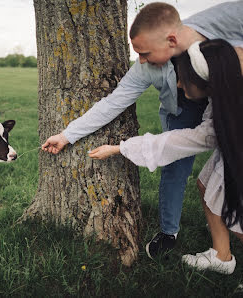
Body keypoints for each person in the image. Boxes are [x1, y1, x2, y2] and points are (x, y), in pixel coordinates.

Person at [41, 1, 243, 259]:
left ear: (170, 40)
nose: (140, 60)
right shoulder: (147, 68)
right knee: (193, 175)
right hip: (186, 111)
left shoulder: (221, 23)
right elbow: (114, 102)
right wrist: (67, 135)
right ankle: (188, 240)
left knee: (227, 181)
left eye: (145, 53)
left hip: (232, 103)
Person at [89, 38, 243, 274]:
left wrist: (122, 148)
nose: (179, 85)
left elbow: (187, 140)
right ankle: (221, 257)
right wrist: (121, 148)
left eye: (182, 79)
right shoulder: (221, 93)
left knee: (234, 210)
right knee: (206, 183)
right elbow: (191, 138)